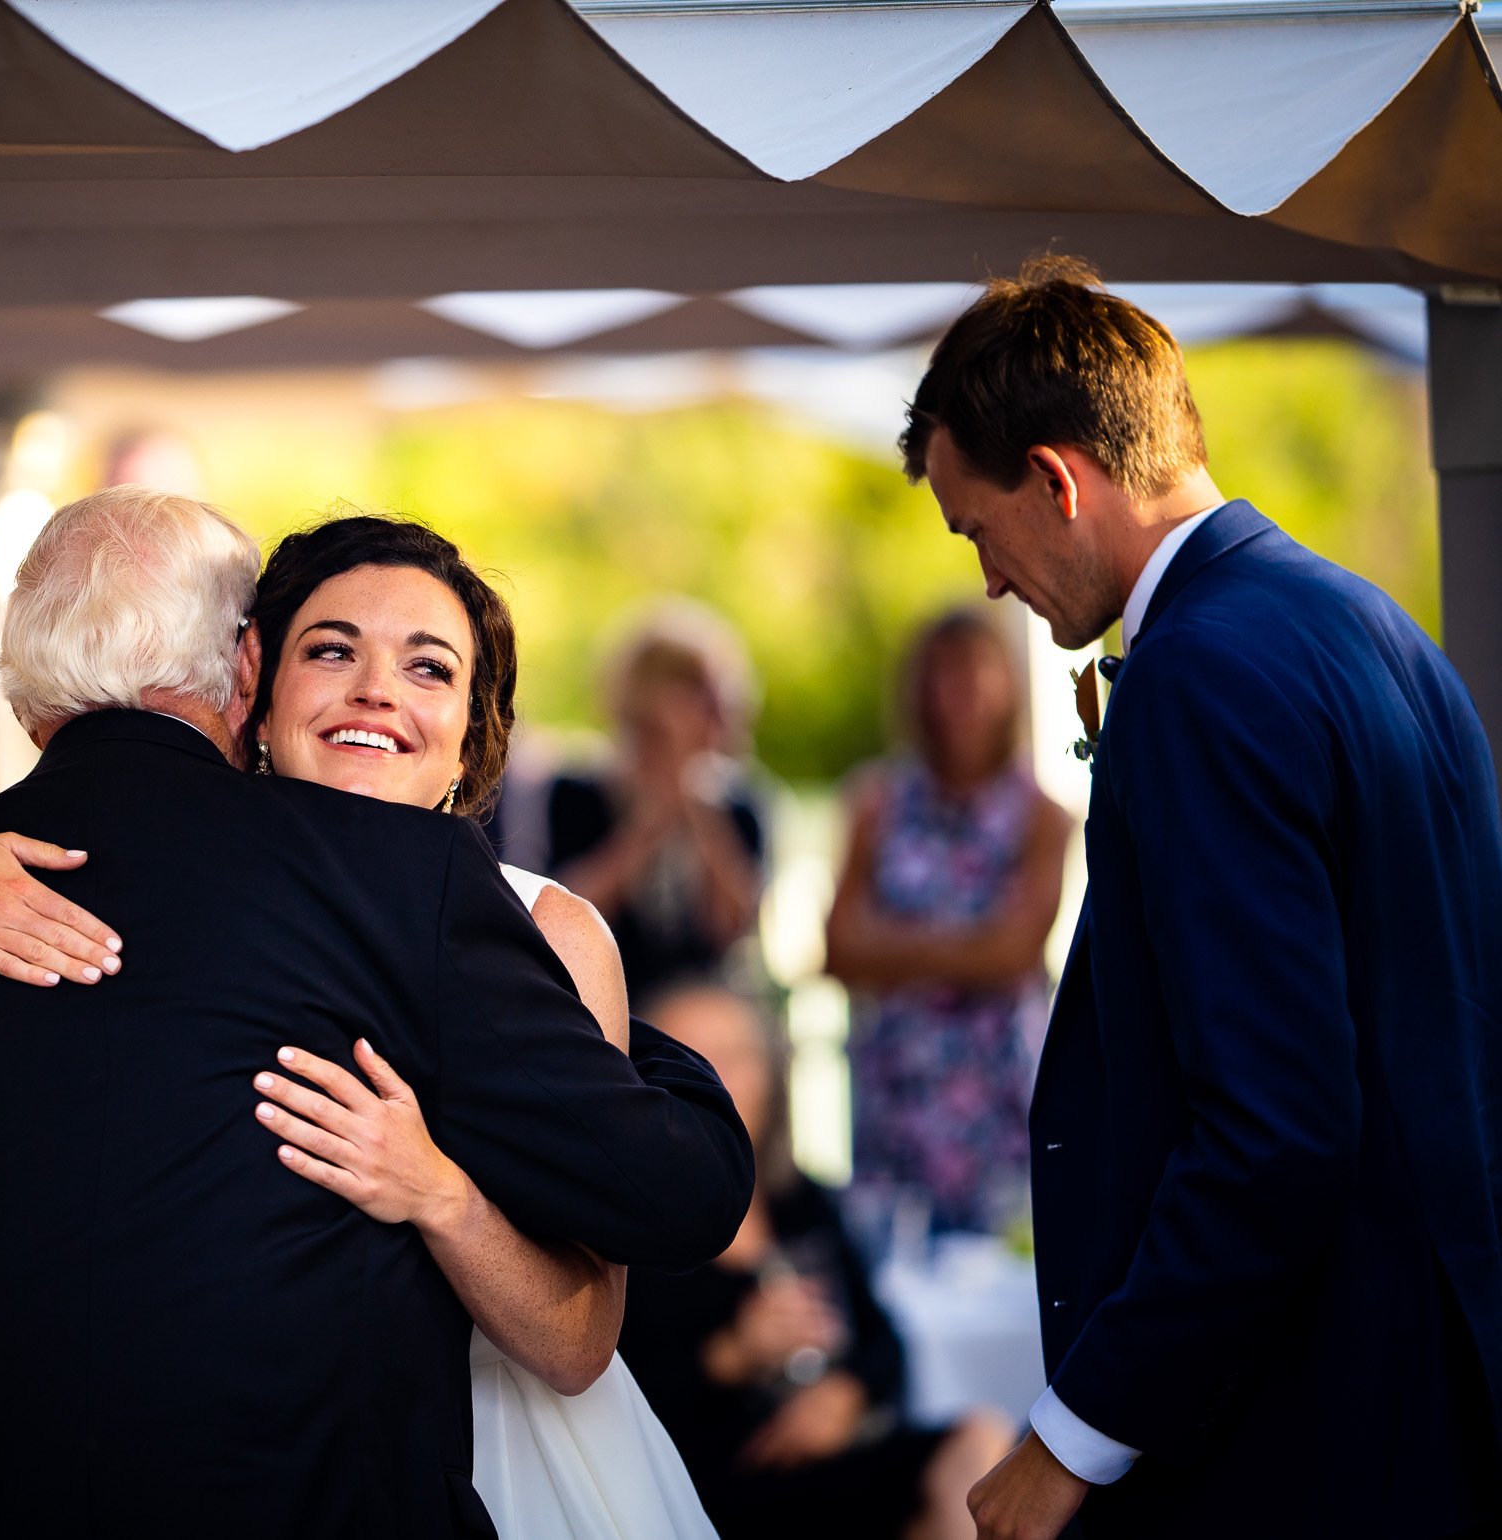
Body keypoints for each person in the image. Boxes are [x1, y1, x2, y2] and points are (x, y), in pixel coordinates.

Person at [0, 488, 754, 1538]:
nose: (375, 692)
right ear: (251, 674)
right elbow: (677, 1187)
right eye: (330, 649)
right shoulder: (387, 885)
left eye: (427, 667)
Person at [903, 257, 1502, 1540]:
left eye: (978, 532)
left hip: (1305, 1419)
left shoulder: (1195, 677)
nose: (992, 582)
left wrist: (1071, 1439)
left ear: (1057, 480)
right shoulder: (1373, 624)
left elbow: (1275, 1125)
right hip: (1430, 1378)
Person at [617, 981, 1012, 1540]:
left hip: (834, 1461)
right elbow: (606, 1396)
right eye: (688, 1056)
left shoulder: (798, 1202)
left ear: (771, 1078)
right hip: (715, 1480)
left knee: (982, 1447)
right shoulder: (629, 1230)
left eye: (735, 1057)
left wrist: (845, 1394)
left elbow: (883, 1341)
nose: (714, 1078)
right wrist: (732, 1355)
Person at [825, 610, 1070, 1235]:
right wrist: (970, 946)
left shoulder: (1041, 814)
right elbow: (839, 951)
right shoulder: (876, 801)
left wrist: (896, 947)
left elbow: (1016, 953)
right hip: (895, 1093)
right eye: (943, 676)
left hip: (999, 1102)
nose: (960, 696)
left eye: (975, 674)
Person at [548, 602, 769, 1000]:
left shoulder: (739, 803)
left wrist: (697, 808)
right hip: (598, 1000)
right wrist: (647, 825)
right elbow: (564, 916)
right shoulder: (578, 793)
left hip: (706, 1011)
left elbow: (734, 925)